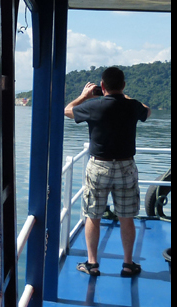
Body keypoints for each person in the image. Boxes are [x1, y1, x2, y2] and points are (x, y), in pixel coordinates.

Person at [64, 67, 151, 277]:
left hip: (99, 167)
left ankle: (92, 264)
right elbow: (147, 110)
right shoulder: (132, 106)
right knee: (127, 216)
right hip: (126, 167)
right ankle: (128, 264)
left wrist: (84, 96)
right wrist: (125, 96)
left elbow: (67, 110)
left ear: (102, 87)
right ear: (123, 85)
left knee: (92, 215)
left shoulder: (93, 106)